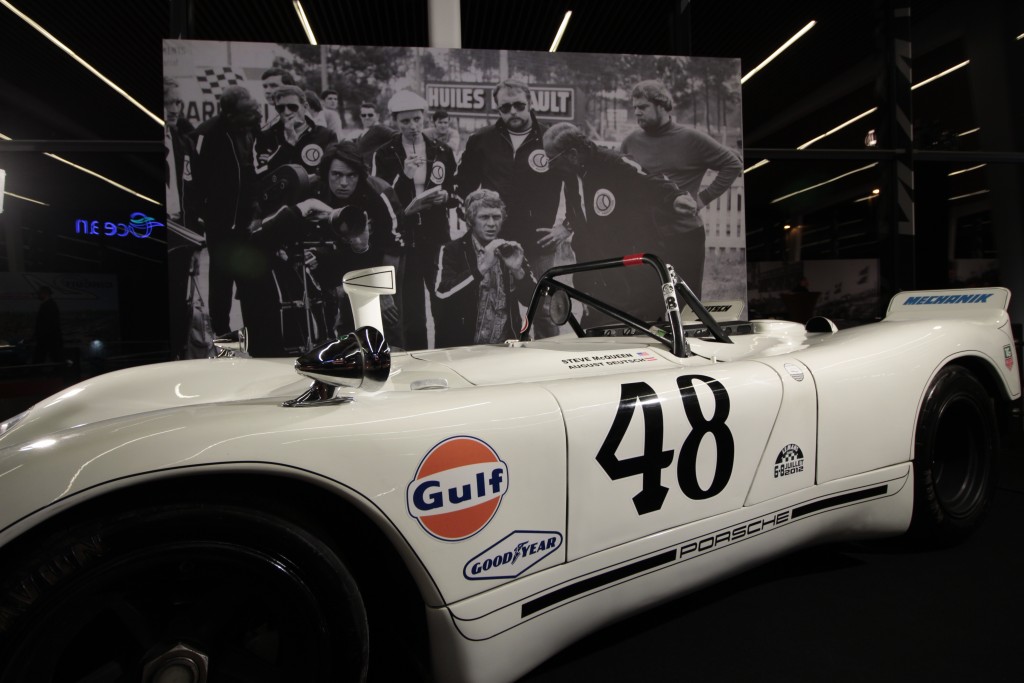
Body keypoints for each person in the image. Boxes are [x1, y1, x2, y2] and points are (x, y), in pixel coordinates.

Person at [543, 121, 698, 324]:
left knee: (632, 331)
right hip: (591, 272)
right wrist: (567, 226)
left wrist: (674, 197)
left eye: (552, 160)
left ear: (572, 154)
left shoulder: (613, 163)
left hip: (626, 272)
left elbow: (649, 179)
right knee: (593, 332)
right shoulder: (571, 175)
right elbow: (579, 210)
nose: (550, 167)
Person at [256, 141, 405, 344]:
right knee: (335, 336)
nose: (343, 182)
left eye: (351, 175)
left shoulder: (379, 195)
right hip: (333, 265)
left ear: (360, 175)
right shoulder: (311, 189)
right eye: (336, 175)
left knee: (384, 332)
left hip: (375, 266)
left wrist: (383, 292)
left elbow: (393, 248)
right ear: (325, 173)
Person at [455, 79, 570, 339]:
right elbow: (463, 187)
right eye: (505, 107)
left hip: (540, 239)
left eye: (519, 105)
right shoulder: (481, 140)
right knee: (498, 306)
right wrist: (476, 226)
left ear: (530, 104)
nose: (513, 112)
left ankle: (551, 367)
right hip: (496, 239)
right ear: (498, 110)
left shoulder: (551, 139)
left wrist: (566, 226)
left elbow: (576, 183)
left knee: (543, 309)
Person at [621, 79, 742, 298]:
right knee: (648, 302)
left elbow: (732, 164)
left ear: (661, 105)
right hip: (645, 237)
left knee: (686, 304)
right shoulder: (631, 142)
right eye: (635, 108)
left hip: (684, 235)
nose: (637, 112)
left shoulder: (690, 139)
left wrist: (702, 199)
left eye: (643, 107)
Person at [372, 90, 458, 350]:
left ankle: (445, 355)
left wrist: (447, 197)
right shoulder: (386, 153)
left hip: (436, 235)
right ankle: (416, 358)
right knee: (411, 309)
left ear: (424, 118)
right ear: (395, 122)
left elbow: (455, 187)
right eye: (405, 121)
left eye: (417, 120)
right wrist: (404, 176)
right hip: (404, 237)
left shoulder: (441, 149)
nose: (412, 127)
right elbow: (380, 195)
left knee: (442, 300)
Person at [186, 85, 263, 343]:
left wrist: (256, 209)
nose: (254, 115)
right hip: (219, 223)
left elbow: (253, 169)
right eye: (248, 112)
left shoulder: (251, 127)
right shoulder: (206, 135)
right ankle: (222, 334)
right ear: (230, 115)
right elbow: (194, 181)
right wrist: (203, 216)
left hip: (246, 220)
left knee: (249, 278)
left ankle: (256, 331)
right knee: (221, 280)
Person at [435, 189, 536, 346]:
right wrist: (480, 269)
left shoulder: (509, 249)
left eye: (496, 217)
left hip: (504, 346)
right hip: (463, 348)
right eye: (484, 217)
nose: (491, 224)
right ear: (470, 220)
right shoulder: (451, 250)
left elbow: (534, 301)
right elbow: (443, 294)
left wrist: (518, 271)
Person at [253, 85, 337, 187]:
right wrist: (288, 144)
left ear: (305, 107)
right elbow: (261, 174)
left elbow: (333, 170)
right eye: (281, 108)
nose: (287, 112)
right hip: (280, 198)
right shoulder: (266, 136)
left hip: (313, 197)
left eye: (292, 107)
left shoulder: (325, 135)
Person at [355, 101, 393, 168]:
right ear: (360, 117)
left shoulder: (379, 128)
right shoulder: (364, 132)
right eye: (363, 115)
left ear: (377, 116)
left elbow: (398, 136)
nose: (367, 117)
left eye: (370, 115)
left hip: (375, 172)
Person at [32, 286, 63, 365]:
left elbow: (48, 322)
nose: (38, 295)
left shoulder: (49, 305)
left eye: (40, 293)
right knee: (52, 355)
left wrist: (41, 334)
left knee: (42, 355)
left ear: (45, 294)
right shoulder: (49, 305)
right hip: (48, 336)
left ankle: (36, 372)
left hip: (47, 336)